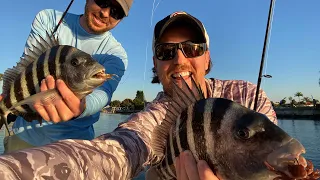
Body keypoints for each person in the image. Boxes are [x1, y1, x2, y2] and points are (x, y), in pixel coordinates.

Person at [0, 11, 277, 180]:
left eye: (192, 48)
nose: (179, 59)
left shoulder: (246, 94)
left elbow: (277, 156)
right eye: (166, 52)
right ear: (155, 65)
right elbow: (119, 149)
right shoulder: (158, 117)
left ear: (207, 58)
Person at [2, 0, 134, 153]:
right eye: (102, 1)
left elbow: (103, 93)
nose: (105, 13)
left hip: (75, 148)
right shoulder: (49, 18)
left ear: (121, 19)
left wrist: (81, 107)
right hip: (24, 138)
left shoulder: (116, 54)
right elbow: (27, 69)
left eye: (116, 12)